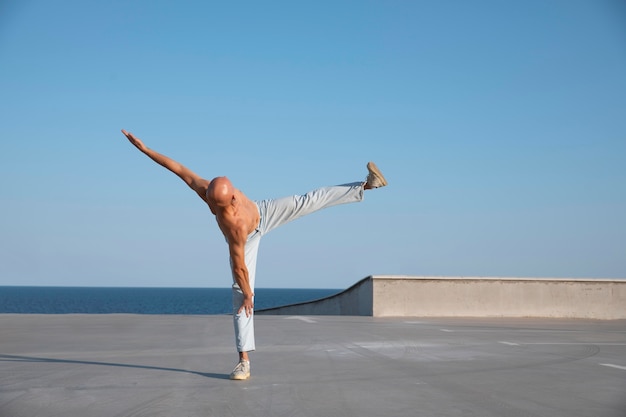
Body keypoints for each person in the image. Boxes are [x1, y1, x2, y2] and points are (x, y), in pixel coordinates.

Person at [120, 129, 388, 380]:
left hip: (263, 213)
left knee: (309, 200)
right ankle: (244, 360)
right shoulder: (230, 222)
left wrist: (145, 149)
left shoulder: (218, 197)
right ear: (223, 200)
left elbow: (177, 169)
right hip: (247, 236)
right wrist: (249, 294)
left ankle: (365, 186)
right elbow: (239, 267)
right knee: (240, 297)